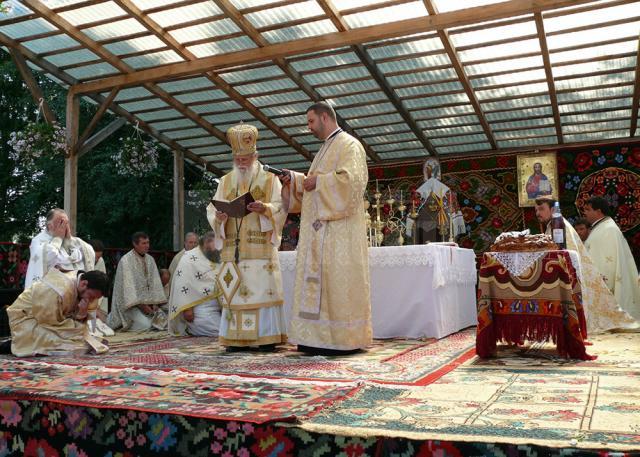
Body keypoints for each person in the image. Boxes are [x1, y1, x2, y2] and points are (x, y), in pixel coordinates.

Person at [281, 102, 372, 355]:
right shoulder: (324, 149)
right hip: (317, 235)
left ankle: (340, 339)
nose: (308, 127)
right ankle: (314, 337)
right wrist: (295, 179)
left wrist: (316, 181)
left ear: (324, 117)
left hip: (338, 235)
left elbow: (351, 183)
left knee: (335, 285)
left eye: (311, 121)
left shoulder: (349, 145)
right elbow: (314, 184)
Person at [206, 123, 287, 351]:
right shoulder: (225, 181)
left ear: (256, 155)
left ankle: (266, 338)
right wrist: (220, 217)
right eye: (238, 159)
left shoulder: (271, 180)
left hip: (260, 249)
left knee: (261, 290)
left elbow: (281, 207)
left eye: (246, 158)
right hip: (234, 250)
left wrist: (265, 209)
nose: (242, 163)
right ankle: (235, 338)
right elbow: (211, 210)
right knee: (236, 294)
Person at [535, 197, 638, 333]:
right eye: (536, 210)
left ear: (553, 210)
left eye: (541, 209)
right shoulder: (553, 225)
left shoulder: (560, 225)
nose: (537, 213)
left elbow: (604, 260)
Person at [7, 269, 110, 357]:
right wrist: (77, 322)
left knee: (85, 339)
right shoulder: (58, 289)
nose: (91, 301)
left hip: (53, 322)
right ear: (84, 284)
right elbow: (49, 321)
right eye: (91, 297)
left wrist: (81, 315)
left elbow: (71, 320)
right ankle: (12, 344)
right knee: (73, 344)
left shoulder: (83, 289)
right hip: (28, 319)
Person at [583, 196, 640, 320]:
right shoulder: (602, 227)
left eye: (588, 209)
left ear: (598, 211)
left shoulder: (608, 229)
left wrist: (599, 277)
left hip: (605, 281)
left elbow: (608, 262)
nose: (584, 212)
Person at [107, 232, 168, 332]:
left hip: (149, 306)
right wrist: (144, 307)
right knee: (146, 326)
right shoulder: (126, 261)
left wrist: (155, 304)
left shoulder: (150, 260)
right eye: (143, 243)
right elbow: (129, 292)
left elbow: (155, 284)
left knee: (165, 322)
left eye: (148, 242)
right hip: (130, 306)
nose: (147, 246)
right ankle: (116, 321)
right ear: (135, 244)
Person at [168, 232, 223, 337]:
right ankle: (190, 328)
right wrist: (187, 310)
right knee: (221, 332)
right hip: (200, 308)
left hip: (221, 307)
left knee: (234, 330)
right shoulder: (189, 258)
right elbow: (182, 283)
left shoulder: (217, 256)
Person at [25, 208, 96, 288]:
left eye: (66, 223)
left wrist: (69, 240)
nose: (64, 226)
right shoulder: (39, 240)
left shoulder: (72, 240)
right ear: (49, 225)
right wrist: (58, 239)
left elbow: (88, 251)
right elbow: (47, 257)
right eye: (61, 223)